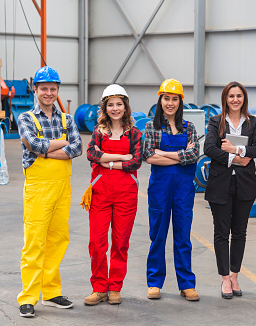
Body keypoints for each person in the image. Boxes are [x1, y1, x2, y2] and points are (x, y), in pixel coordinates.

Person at [17, 66, 82, 318]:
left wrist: (47, 150)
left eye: (52, 89)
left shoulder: (67, 119)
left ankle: (52, 292)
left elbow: (77, 148)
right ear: (35, 90)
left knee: (57, 240)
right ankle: (28, 297)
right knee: (35, 243)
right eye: (44, 88)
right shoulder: (25, 118)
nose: (48, 92)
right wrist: (62, 144)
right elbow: (33, 145)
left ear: (57, 91)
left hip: (62, 189)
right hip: (38, 189)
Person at [203, 81, 256, 299]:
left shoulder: (252, 123)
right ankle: (224, 279)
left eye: (239, 96)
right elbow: (209, 148)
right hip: (221, 185)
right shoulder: (215, 122)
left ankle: (235, 274)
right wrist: (236, 157)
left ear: (244, 99)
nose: (235, 100)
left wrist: (237, 148)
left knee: (239, 232)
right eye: (231, 96)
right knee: (222, 233)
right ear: (225, 99)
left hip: (244, 185)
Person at [84, 84, 143, 306]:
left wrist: (106, 161)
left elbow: (135, 161)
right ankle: (99, 287)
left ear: (125, 107)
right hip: (100, 192)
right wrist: (120, 159)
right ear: (105, 107)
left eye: (119, 104)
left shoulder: (135, 133)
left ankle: (115, 287)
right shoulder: (98, 132)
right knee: (97, 242)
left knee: (120, 242)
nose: (115, 108)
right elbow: (91, 154)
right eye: (111, 104)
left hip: (126, 193)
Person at [143, 78, 200, 301]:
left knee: (183, 236)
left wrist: (164, 154)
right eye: (166, 98)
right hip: (160, 188)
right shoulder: (151, 127)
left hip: (184, 189)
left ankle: (186, 283)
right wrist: (180, 157)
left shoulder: (189, 127)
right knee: (157, 234)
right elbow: (149, 157)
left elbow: (194, 156)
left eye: (174, 99)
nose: (170, 103)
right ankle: (154, 282)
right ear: (160, 100)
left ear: (180, 102)